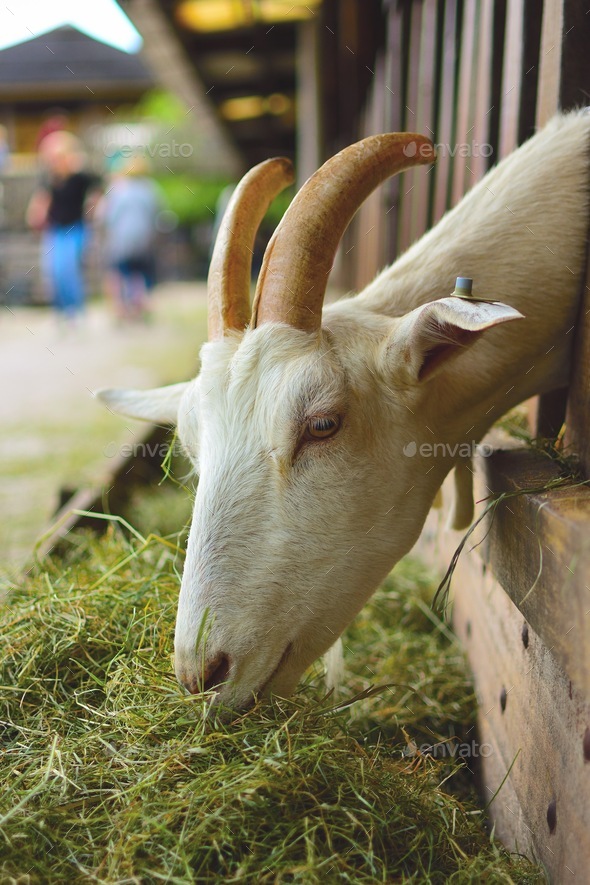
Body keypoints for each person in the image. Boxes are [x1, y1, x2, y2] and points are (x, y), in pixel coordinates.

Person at [26, 131, 100, 323]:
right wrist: (36, 214)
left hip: (75, 228)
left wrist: (95, 205)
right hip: (55, 230)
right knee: (53, 271)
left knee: (69, 270)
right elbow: (42, 200)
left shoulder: (79, 177)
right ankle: (61, 311)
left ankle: (77, 311)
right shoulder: (50, 179)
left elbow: (99, 185)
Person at [99, 155, 163, 322]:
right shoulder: (151, 189)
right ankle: (141, 303)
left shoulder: (118, 189)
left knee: (121, 272)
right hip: (144, 241)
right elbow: (157, 214)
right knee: (140, 272)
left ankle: (123, 308)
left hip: (121, 241)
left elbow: (109, 217)